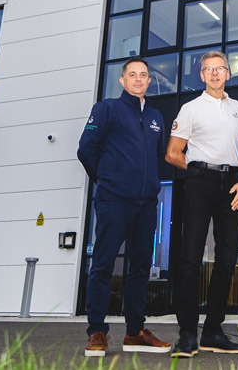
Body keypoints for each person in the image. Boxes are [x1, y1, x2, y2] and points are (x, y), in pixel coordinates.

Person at [77, 56, 171, 357]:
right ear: (123, 80)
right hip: (113, 200)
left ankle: (134, 332)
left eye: (144, 75)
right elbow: (85, 149)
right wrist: (107, 180)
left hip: (145, 205)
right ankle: (97, 332)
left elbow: (155, 157)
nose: (139, 79)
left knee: (140, 267)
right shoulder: (107, 109)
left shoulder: (156, 117)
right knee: (103, 263)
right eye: (133, 74)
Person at [165, 51, 238, 357]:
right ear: (202, 76)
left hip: (232, 185)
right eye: (208, 70)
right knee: (190, 255)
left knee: (227, 259)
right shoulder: (190, 109)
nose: (214, 73)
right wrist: (200, 172)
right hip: (200, 181)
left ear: (228, 73)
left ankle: (213, 331)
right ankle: (187, 333)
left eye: (220, 69)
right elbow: (173, 153)